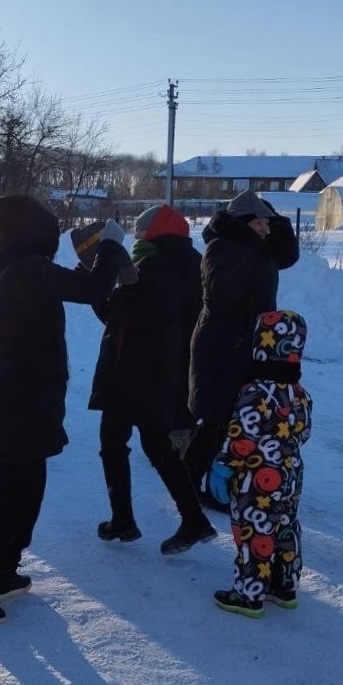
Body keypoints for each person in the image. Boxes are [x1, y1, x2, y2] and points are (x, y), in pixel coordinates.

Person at [0, 195, 129, 625]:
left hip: (16, 395)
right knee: (15, 495)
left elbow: (65, 287)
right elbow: (93, 290)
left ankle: (2, 570)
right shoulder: (27, 271)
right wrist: (109, 246)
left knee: (27, 489)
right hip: (19, 399)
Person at [88, 203, 215, 554]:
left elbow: (115, 317)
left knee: (113, 443)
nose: (137, 238)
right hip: (164, 372)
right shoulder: (191, 269)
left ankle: (124, 520)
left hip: (130, 372)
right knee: (157, 445)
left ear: (150, 237)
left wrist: (99, 277)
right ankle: (193, 519)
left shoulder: (150, 268)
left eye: (140, 233)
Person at [186, 190, 298, 512]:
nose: (265, 229)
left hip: (246, 347)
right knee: (218, 421)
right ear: (245, 223)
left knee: (230, 421)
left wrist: (278, 221)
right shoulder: (220, 248)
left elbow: (288, 255)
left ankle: (198, 483)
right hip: (221, 347)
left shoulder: (254, 248)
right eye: (261, 223)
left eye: (266, 223)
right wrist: (257, 251)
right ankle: (191, 485)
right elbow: (223, 297)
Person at [212, 310, 313, 618]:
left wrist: (223, 465)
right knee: (285, 527)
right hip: (292, 474)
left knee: (254, 530)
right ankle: (284, 586)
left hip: (257, 476)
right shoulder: (299, 394)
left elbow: (241, 435)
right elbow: (304, 433)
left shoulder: (255, 392)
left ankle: (249, 594)